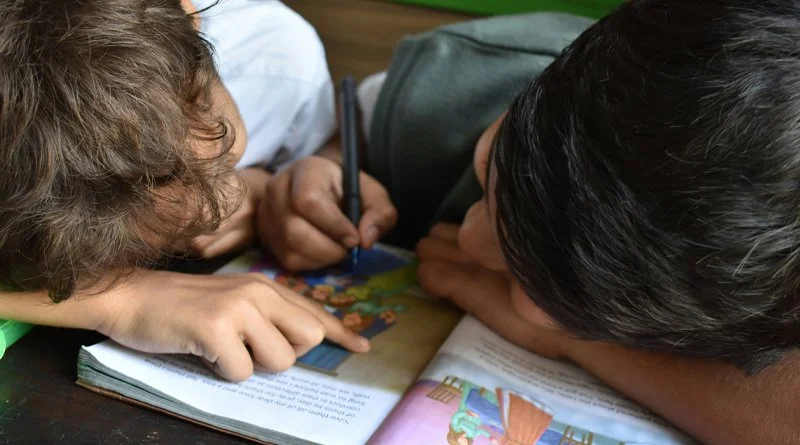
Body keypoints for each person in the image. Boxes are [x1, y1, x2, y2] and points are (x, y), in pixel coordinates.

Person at [259, 1, 800, 443]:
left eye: (528, 283)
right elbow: (349, 125)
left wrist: (576, 344)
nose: (469, 239)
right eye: (487, 167)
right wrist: (323, 165)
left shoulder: (769, 271)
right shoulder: (457, 80)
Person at [0, 0, 369, 383]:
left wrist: (303, 173)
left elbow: (335, 141)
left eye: (226, 163)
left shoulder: (279, 63)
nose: (222, 210)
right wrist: (121, 300)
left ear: (190, 17)